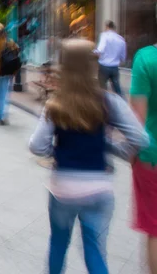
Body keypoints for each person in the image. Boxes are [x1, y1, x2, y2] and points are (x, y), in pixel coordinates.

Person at [29, 39, 148, 274]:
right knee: (94, 251)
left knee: (58, 244)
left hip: (63, 188)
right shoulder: (109, 101)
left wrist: (56, 153)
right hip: (99, 189)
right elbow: (140, 139)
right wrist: (112, 148)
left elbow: (36, 146)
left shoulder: (56, 103)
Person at [129, 43, 157, 273]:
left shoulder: (146, 59)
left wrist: (131, 154)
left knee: (155, 230)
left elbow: (136, 118)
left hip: (152, 156)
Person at [96, 20, 126, 97]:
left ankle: (103, 106)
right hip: (115, 67)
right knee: (117, 89)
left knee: (102, 88)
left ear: (107, 27)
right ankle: (121, 104)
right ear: (114, 28)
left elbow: (100, 49)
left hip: (104, 66)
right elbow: (123, 57)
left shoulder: (104, 36)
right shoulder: (121, 39)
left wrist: (93, 52)